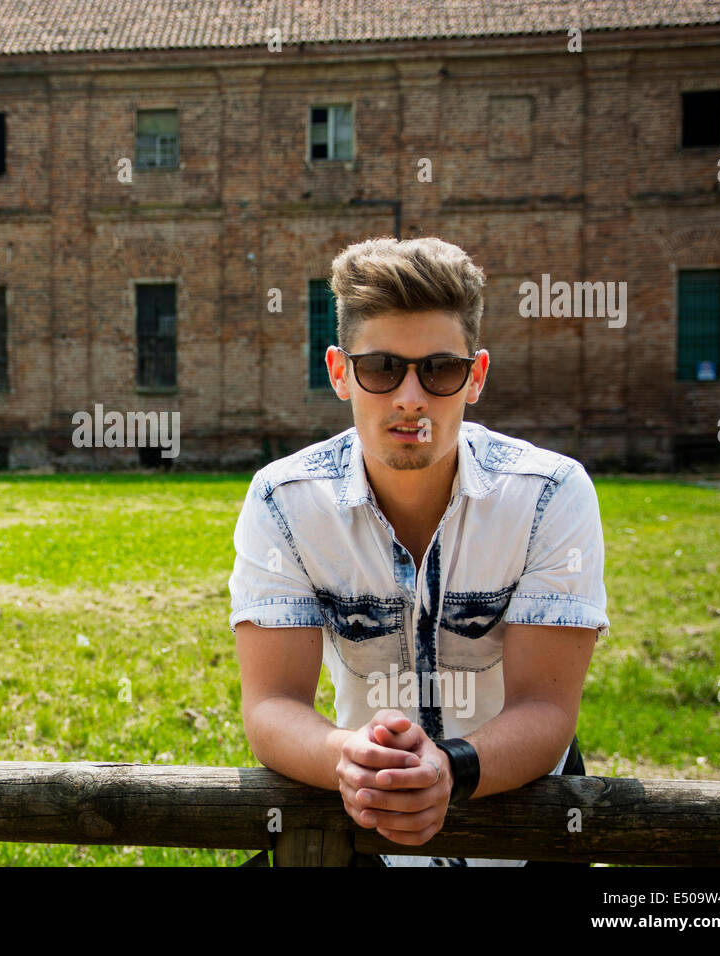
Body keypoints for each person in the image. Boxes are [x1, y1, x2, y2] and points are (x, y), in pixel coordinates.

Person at [229, 236, 608, 866]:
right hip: (365, 821)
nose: (410, 398)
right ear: (339, 372)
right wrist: (344, 758)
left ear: (476, 376)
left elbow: (546, 707)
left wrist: (451, 768)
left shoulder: (548, 493)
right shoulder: (284, 500)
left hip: (525, 822)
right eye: (381, 368)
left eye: (439, 369)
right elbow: (273, 704)